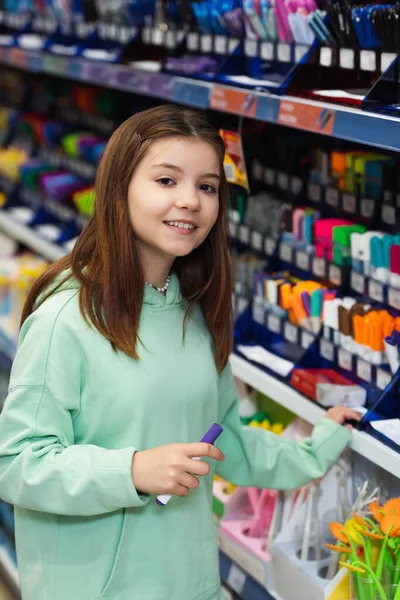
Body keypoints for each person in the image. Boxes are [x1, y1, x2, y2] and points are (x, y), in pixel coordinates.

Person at [0, 105, 360, 600]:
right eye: (167, 180)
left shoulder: (197, 318)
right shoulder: (66, 320)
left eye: (207, 186)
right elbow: (18, 463)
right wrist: (133, 471)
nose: (190, 201)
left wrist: (318, 447)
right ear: (119, 188)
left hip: (189, 583)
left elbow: (223, 443)